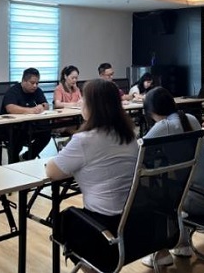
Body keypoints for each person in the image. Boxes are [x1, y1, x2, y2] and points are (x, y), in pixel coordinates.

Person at [46, 79, 138, 268]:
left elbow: (52, 172)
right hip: (133, 224)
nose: (80, 102)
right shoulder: (129, 135)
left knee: (60, 221)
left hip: (102, 229)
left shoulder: (84, 140)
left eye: (84, 99)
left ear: (94, 106)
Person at [140, 87, 204, 268]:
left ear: (151, 111)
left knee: (150, 193)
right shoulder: (190, 118)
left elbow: (140, 153)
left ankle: (160, 253)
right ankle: (182, 245)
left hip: (198, 199)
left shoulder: (164, 126)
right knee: (171, 184)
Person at [2, 68, 51, 161]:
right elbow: (10, 108)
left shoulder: (37, 91)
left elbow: (46, 105)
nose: (35, 86)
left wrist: (42, 106)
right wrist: (31, 110)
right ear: (24, 81)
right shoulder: (13, 91)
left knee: (46, 134)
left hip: (30, 126)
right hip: (13, 128)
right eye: (32, 83)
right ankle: (14, 164)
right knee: (16, 140)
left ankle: (26, 157)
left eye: (37, 83)